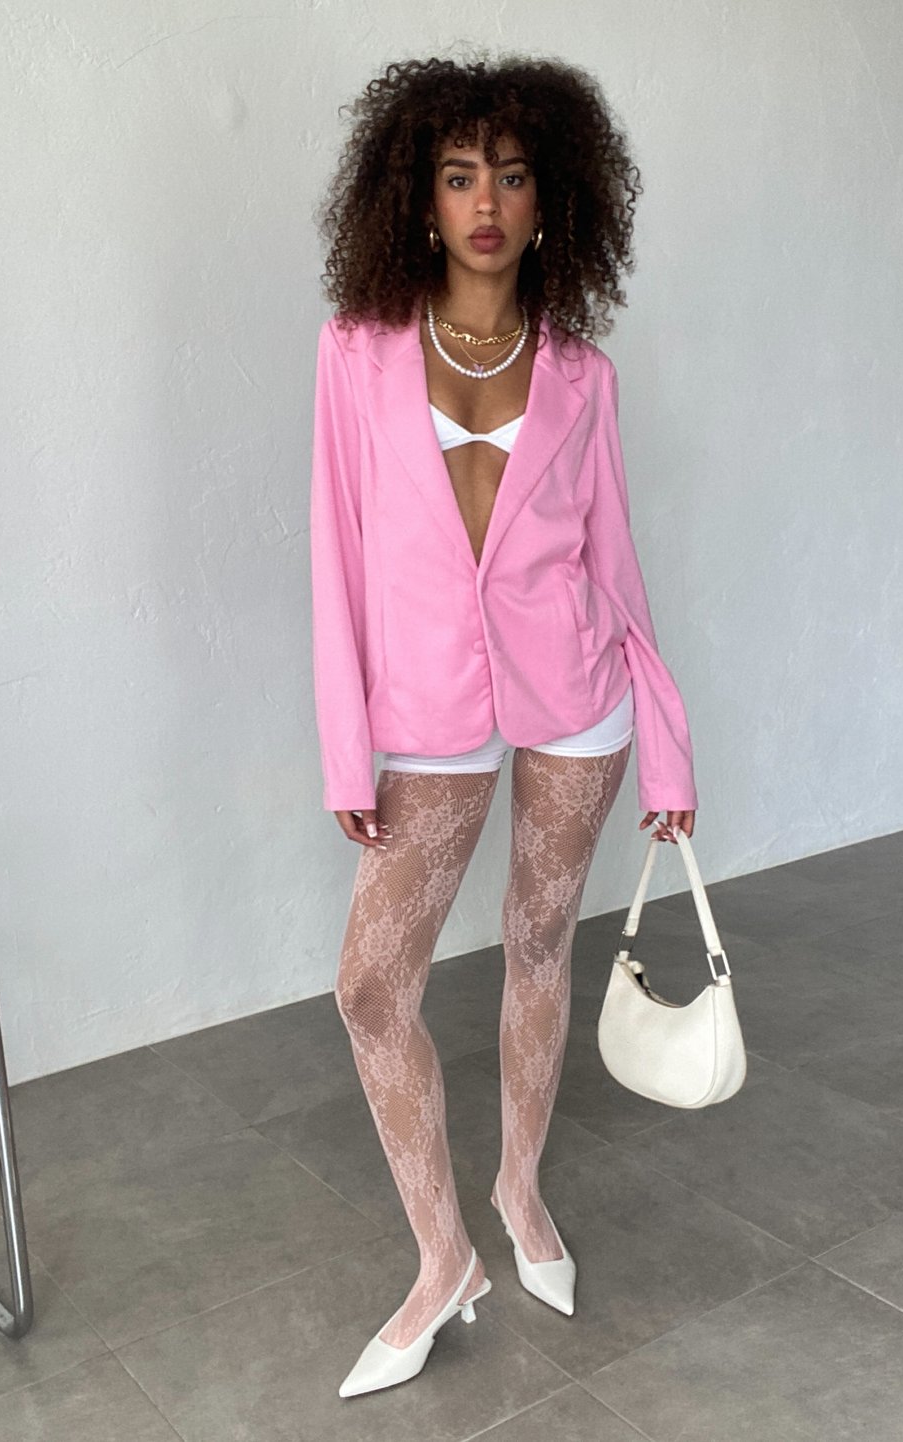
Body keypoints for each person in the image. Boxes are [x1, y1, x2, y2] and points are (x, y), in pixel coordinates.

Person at [310, 53, 699, 1397]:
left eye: (514, 175)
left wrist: (670, 737)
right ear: (420, 198)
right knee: (372, 985)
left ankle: (521, 1196)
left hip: (572, 696)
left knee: (540, 940)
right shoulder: (358, 352)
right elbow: (337, 551)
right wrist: (341, 736)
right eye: (461, 173)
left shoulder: (581, 373)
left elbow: (616, 560)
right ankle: (443, 1258)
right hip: (424, 707)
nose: (487, 200)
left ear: (552, 203)